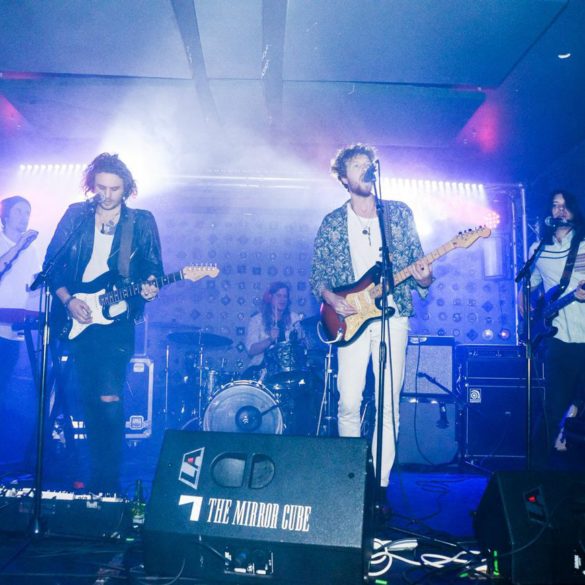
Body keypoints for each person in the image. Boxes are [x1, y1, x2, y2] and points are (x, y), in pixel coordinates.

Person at [310, 144, 432, 500]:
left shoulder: (398, 214)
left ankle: (379, 485)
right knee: (349, 400)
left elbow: (418, 263)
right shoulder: (333, 222)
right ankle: (350, 480)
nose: (365, 170)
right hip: (350, 319)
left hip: (393, 315)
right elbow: (318, 274)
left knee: (388, 403)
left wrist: (425, 278)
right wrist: (331, 298)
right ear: (343, 178)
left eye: (369, 164)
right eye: (357, 166)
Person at [44, 153, 163, 493]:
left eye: (115, 189)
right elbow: (52, 267)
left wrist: (151, 286)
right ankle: (92, 477)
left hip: (117, 320)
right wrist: (69, 301)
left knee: (110, 398)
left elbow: (152, 267)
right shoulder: (76, 216)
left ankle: (108, 483)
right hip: (79, 316)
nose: (107, 195)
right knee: (88, 399)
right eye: (101, 188)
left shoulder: (140, 222)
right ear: (91, 185)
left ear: (127, 189)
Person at [523, 190, 585, 466]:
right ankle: (533, 475)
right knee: (551, 408)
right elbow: (531, 283)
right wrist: (523, 298)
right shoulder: (539, 249)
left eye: (565, 206)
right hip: (558, 339)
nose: (560, 211)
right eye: (555, 205)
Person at [0, 196, 41, 397]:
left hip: (16, 330)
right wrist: (18, 247)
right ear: (5, 215)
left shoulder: (32, 251)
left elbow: (34, 287)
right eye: (18, 211)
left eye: (27, 212)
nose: (24, 216)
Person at [245, 281, 303, 375]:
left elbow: (301, 345)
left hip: (288, 368)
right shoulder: (257, 320)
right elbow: (251, 350)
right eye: (278, 296)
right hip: (262, 369)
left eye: (285, 296)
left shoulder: (295, 318)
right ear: (270, 297)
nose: (282, 299)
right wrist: (270, 340)